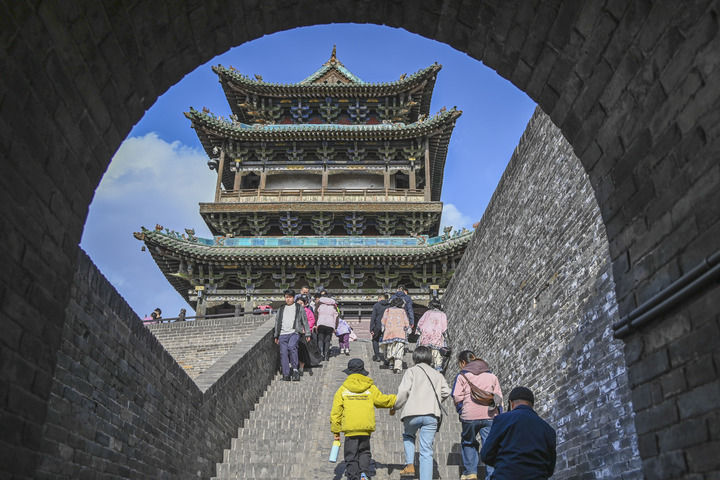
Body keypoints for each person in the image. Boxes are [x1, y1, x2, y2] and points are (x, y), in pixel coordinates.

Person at [330, 359, 396, 480]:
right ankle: (364, 473)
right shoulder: (370, 387)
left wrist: (336, 431)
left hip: (350, 428)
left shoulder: (342, 389)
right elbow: (382, 400)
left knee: (351, 455)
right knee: (364, 451)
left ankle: (353, 476)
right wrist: (395, 399)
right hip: (366, 427)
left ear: (349, 372)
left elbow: (336, 412)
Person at [392, 346, 451, 479]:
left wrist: (396, 406)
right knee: (426, 450)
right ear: (430, 358)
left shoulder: (411, 371)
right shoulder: (437, 374)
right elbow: (446, 391)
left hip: (412, 413)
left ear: (415, 357)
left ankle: (409, 465)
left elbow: (403, 391)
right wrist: (435, 401)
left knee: (408, 435)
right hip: (431, 414)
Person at [480, 387, 556, 480]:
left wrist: (504, 462)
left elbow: (486, 454)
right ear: (532, 405)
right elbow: (550, 468)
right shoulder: (548, 430)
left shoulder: (502, 420)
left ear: (511, 403)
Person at [452, 351, 503, 480]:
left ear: (463, 362)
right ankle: (491, 475)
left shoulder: (462, 376)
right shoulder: (491, 376)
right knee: (490, 444)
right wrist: (499, 414)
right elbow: (498, 397)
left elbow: (457, 396)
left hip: (469, 416)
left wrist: (461, 410)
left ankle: (470, 473)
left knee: (468, 442)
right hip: (490, 415)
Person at [273, 289, 310, 381]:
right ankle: (286, 374)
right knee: (283, 353)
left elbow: (305, 321)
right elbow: (277, 322)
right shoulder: (281, 309)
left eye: (290, 297)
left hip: (294, 332)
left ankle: (295, 370)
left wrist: (307, 333)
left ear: (293, 298)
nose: (288, 299)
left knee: (292, 347)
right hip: (282, 334)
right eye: (286, 297)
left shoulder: (298, 307)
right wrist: (276, 335)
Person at [380, 296, 410, 373]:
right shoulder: (402, 311)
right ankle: (398, 367)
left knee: (390, 348)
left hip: (389, 332)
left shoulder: (388, 310)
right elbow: (406, 320)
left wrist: (383, 327)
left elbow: (383, 320)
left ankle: (391, 362)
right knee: (399, 349)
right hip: (400, 332)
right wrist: (408, 328)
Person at [416, 298, 448, 371]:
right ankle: (437, 368)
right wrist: (445, 336)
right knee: (437, 353)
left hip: (426, 335)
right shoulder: (442, 314)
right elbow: (444, 327)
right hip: (437, 335)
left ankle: (426, 366)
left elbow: (420, 323)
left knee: (426, 352)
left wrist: (419, 332)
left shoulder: (427, 313)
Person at [297, 295, 321, 375]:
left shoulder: (308, 311)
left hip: (305, 333)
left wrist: (306, 329)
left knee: (305, 349)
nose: (299, 305)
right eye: (298, 303)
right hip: (296, 332)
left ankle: (305, 364)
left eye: (301, 303)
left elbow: (311, 320)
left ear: (304, 304)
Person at [315, 293, 339, 361]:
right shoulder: (333, 305)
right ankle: (326, 355)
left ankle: (321, 354)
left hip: (321, 323)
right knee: (327, 340)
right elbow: (336, 316)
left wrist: (316, 324)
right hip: (330, 324)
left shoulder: (320, 304)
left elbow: (316, 314)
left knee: (320, 339)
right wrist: (335, 327)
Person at [370, 293, 391, 362]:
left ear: (380, 298)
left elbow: (373, 317)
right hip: (387, 325)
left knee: (375, 340)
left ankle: (377, 356)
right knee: (387, 341)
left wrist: (371, 328)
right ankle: (387, 356)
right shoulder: (390, 305)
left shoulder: (376, 305)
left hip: (378, 325)